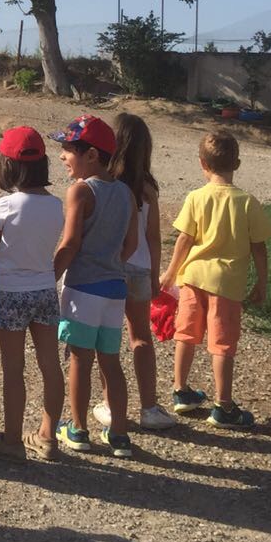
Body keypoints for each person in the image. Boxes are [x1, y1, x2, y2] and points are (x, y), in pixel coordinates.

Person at [158, 130, 271, 428]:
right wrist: (261, 282)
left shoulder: (196, 197)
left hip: (192, 278)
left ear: (203, 164)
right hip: (226, 284)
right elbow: (259, 248)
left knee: (185, 334)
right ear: (237, 164)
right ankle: (224, 407)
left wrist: (170, 272)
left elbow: (184, 239)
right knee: (222, 345)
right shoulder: (247, 202)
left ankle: (180, 391)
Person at [51, 115, 137, 458]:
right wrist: (110, 263)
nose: (62, 156)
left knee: (79, 360)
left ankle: (78, 429)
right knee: (111, 363)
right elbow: (130, 244)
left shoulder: (80, 191)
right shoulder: (126, 192)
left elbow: (70, 243)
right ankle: (119, 434)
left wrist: (48, 277)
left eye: (68, 149)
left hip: (84, 288)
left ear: (91, 155)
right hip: (115, 289)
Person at [0, 126, 67, 461]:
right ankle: (48, 437)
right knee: (50, 365)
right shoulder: (56, 205)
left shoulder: (5, 205)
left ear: (7, 165)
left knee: (13, 367)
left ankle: (13, 439)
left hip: (11, 292)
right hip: (45, 289)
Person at [93, 114, 178, 433]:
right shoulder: (147, 188)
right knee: (141, 336)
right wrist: (155, 274)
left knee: (107, 338)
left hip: (109, 268)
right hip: (140, 268)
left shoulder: (103, 184)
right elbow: (154, 236)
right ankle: (149, 407)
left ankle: (109, 403)